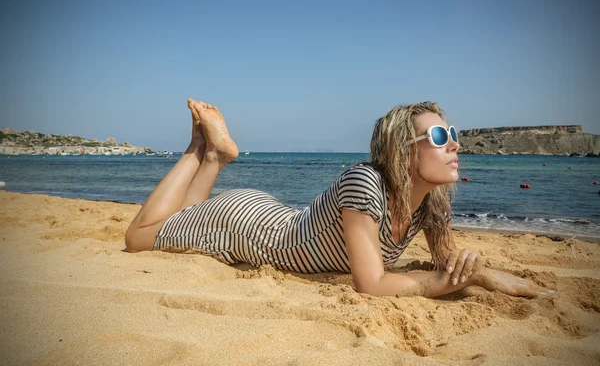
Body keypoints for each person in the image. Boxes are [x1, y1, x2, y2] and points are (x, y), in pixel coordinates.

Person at [125, 99, 554, 298]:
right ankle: (197, 150)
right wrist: (464, 281)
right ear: (403, 149)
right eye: (441, 137)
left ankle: (217, 157)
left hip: (273, 214)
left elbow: (450, 266)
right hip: (247, 228)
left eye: (454, 134)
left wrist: (481, 272)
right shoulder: (364, 184)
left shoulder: (432, 202)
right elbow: (371, 285)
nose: (455, 144)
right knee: (137, 237)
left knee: (184, 215)